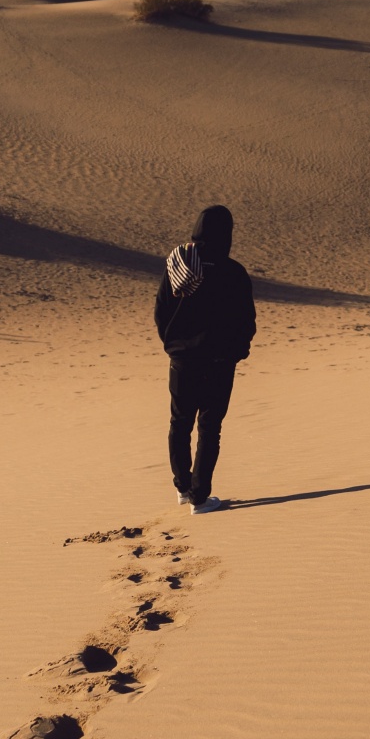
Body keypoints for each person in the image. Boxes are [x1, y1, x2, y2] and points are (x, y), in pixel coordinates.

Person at [155, 203, 255, 512]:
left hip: (183, 359)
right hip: (219, 363)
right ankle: (199, 497)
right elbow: (246, 321)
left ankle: (184, 488)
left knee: (180, 422)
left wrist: (174, 345)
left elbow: (161, 313)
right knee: (210, 427)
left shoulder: (179, 264)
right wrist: (237, 352)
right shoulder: (233, 272)